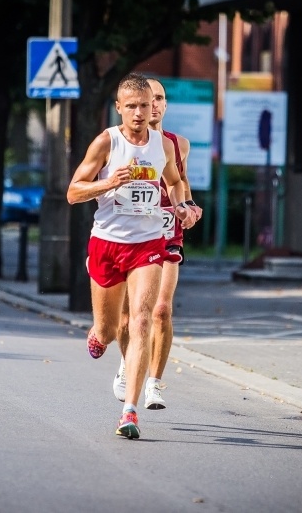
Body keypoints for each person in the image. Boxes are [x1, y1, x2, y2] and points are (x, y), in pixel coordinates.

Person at [67, 72, 196, 439]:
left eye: (146, 105)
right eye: (132, 106)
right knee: (111, 329)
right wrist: (110, 182)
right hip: (107, 242)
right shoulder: (106, 143)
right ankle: (99, 333)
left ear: (153, 106)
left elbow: (173, 181)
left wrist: (184, 206)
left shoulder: (163, 145)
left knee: (142, 319)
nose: (140, 113)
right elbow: (73, 192)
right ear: (119, 108)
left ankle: (130, 411)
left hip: (147, 244)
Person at [112, 77, 203, 410]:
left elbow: (181, 182)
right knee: (128, 318)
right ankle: (128, 363)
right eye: (147, 98)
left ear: (162, 105)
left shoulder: (178, 144)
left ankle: (153, 383)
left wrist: (188, 207)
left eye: (160, 98)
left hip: (166, 232)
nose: (153, 104)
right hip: (129, 235)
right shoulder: (118, 141)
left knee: (161, 310)